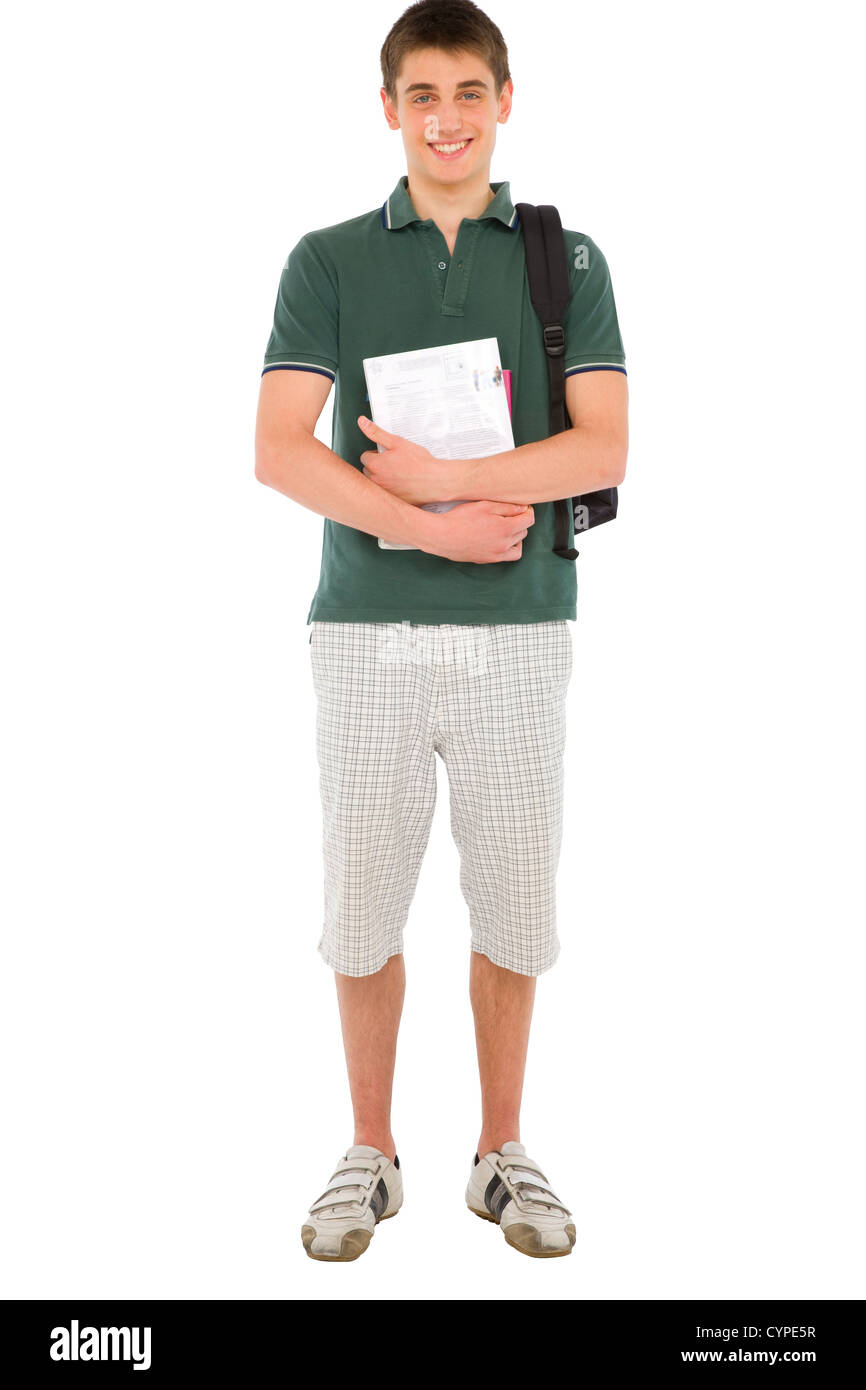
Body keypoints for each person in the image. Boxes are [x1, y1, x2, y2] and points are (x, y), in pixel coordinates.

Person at [254, 0, 628, 1261]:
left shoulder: (562, 259)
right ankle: (370, 1152)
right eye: (422, 94)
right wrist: (421, 523)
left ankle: (499, 1153)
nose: (446, 117)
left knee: (514, 905)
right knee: (363, 905)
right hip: (364, 628)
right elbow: (274, 450)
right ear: (388, 110)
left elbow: (604, 444)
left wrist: (436, 488)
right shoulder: (327, 258)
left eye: (468, 91)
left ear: (503, 100)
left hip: (522, 628)